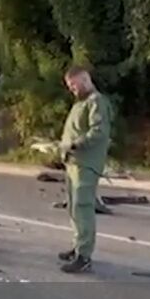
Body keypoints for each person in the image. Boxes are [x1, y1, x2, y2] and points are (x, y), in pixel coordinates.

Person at [57, 66, 112, 273]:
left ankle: (84, 256)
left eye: (73, 85)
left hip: (86, 163)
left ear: (85, 79)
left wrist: (76, 144)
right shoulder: (80, 104)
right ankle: (78, 245)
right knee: (73, 207)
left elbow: (98, 132)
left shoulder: (96, 102)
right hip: (73, 163)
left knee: (83, 206)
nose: (71, 89)